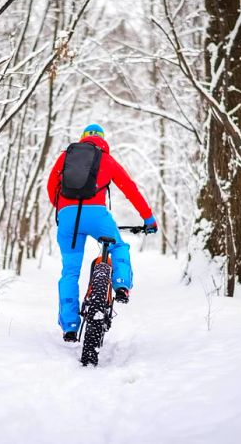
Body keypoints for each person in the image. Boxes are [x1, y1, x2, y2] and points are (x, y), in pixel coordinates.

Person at [46, 123, 157, 342]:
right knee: (118, 246)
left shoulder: (66, 157)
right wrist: (148, 218)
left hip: (68, 219)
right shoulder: (107, 159)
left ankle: (69, 326)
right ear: (102, 140)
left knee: (70, 272)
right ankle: (121, 284)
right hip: (97, 215)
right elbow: (130, 189)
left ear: (83, 138)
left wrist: (63, 208)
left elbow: (51, 186)